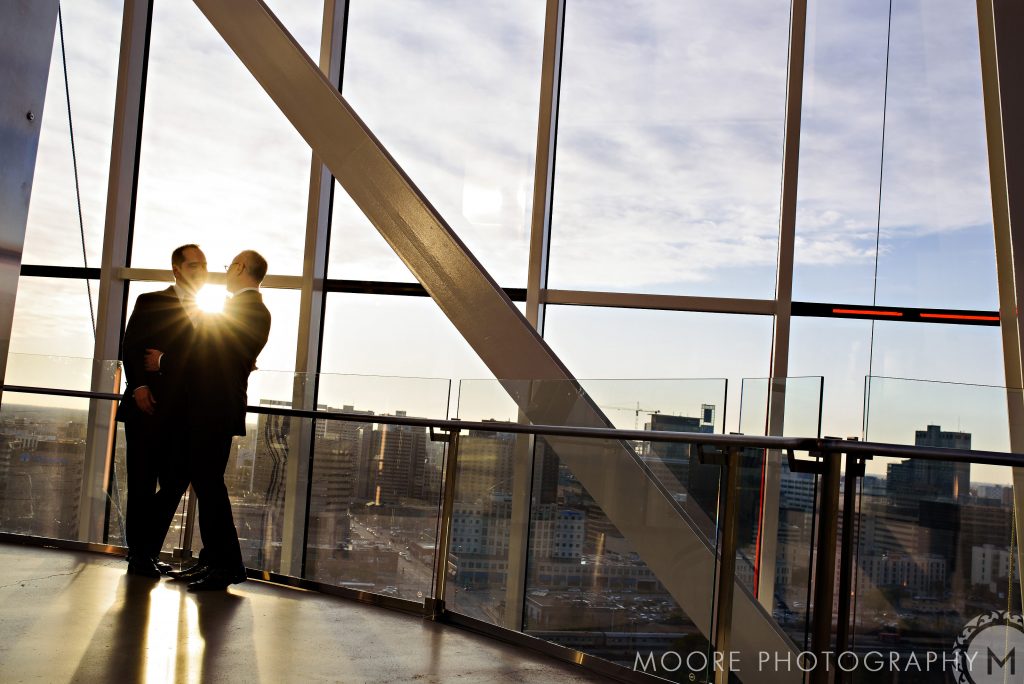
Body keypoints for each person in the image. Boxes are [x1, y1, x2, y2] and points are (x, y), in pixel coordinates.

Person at [149, 250, 271, 590]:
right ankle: (214, 561)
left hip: (213, 411)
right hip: (212, 409)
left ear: (242, 268)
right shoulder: (247, 310)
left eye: (230, 265)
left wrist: (164, 360)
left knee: (210, 487)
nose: (226, 271)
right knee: (207, 485)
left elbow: (207, 352)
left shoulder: (247, 309)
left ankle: (227, 565)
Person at [116, 244, 208, 577]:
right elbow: (131, 346)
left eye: (204, 264)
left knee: (175, 482)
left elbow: (203, 359)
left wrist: (166, 360)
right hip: (147, 407)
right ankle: (142, 558)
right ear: (177, 270)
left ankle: (143, 550)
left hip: (185, 413)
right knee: (141, 483)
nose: (202, 270)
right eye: (195, 265)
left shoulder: (211, 312)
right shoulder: (151, 301)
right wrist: (139, 386)